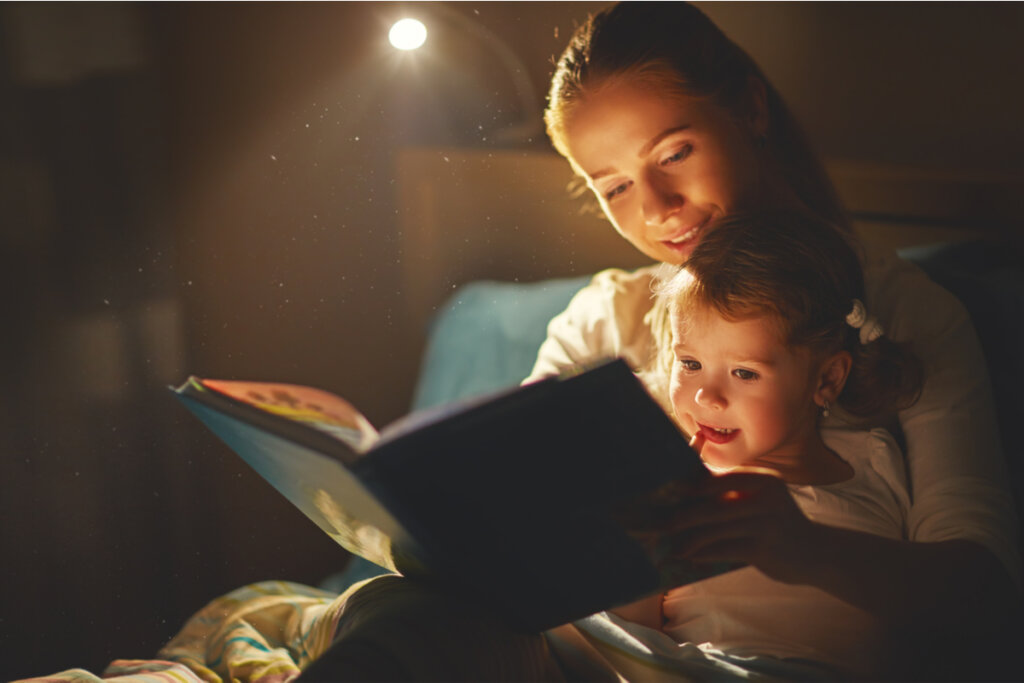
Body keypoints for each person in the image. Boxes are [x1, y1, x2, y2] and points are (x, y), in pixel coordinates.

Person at [306, 2, 1018, 680]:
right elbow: (524, 509)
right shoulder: (601, 320)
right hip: (576, 652)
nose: (655, 210)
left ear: (749, 108)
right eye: (614, 187)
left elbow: (986, 601)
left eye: (674, 152)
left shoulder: (903, 316)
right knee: (387, 609)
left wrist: (801, 548)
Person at [562, 209, 923, 679]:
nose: (705, 396)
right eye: (688, 363)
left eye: (745, 373)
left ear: (828, 378)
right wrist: (646, 539)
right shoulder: (680, 485)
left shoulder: (875, 461)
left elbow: (920, 618)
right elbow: (632, 640)